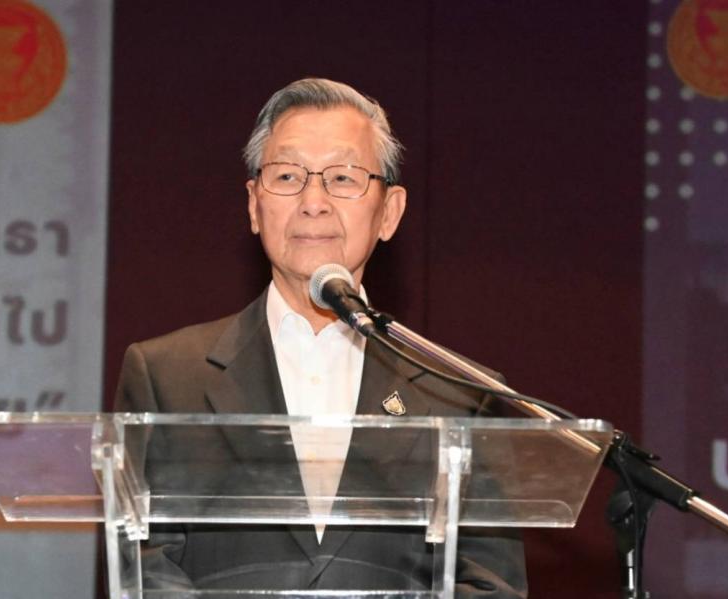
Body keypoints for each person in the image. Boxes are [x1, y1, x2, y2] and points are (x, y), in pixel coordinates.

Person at [114, 78, 527, 597]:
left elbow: (490, 585)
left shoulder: (458, 392)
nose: (314, 202)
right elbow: (142, 565)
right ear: (254, 204)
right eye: (287, 176)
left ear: (389, 212)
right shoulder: (165, 375)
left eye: (342, 178)